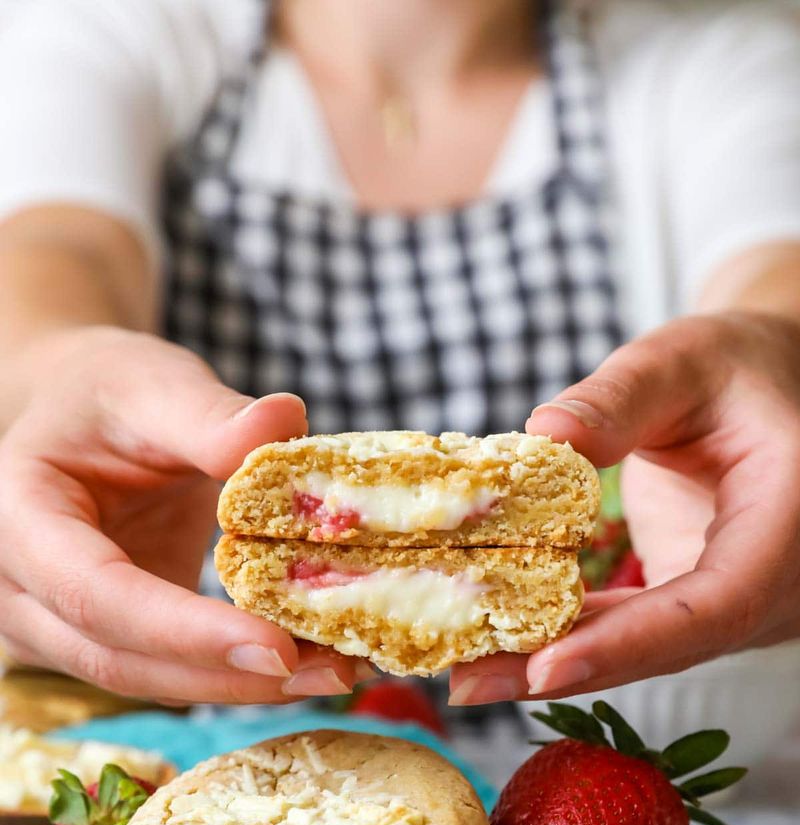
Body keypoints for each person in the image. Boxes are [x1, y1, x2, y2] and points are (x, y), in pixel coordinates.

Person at [0, 0, 799, 712]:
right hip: (228, 743)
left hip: (595, 747)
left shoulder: (721, 60)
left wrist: (775, 352)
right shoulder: (114, 32)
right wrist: (59, 363)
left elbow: (773, 271)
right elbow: (60, 248)